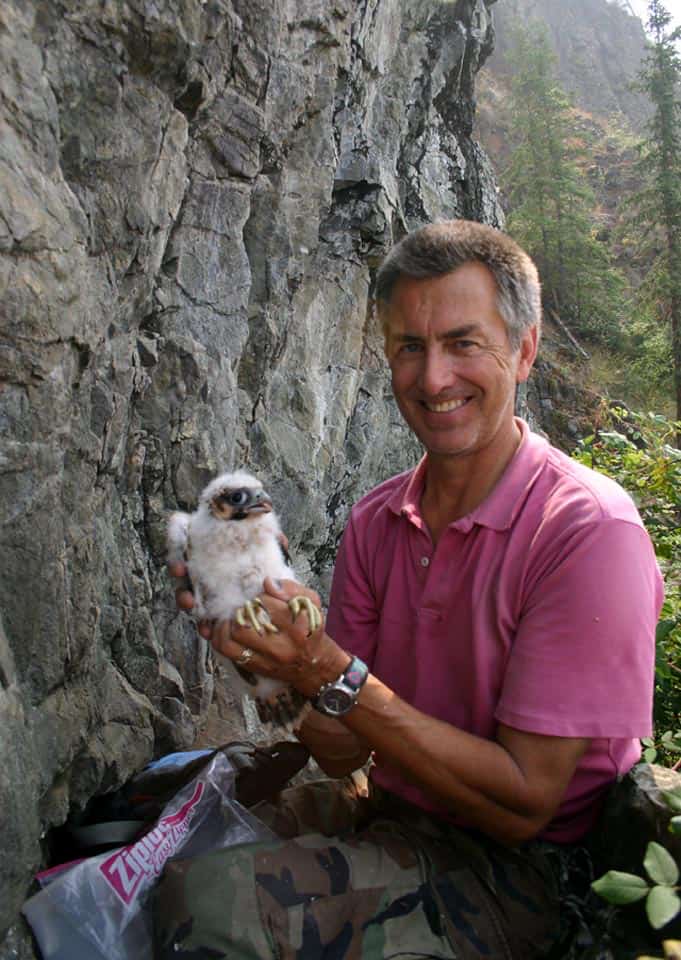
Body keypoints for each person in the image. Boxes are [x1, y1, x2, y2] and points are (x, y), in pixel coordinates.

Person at [160, 220, 663, 959]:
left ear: (523, 352)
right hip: (398, 813)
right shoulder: (378, 519)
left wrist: (325, 668)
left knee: (210, 903)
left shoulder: (586, 531)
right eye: (409, 347)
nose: (432, 379)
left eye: (463, 343)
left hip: (527, 872)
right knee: (170, 830)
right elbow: (337, 747)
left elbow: (523, 803)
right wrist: (263, 657)